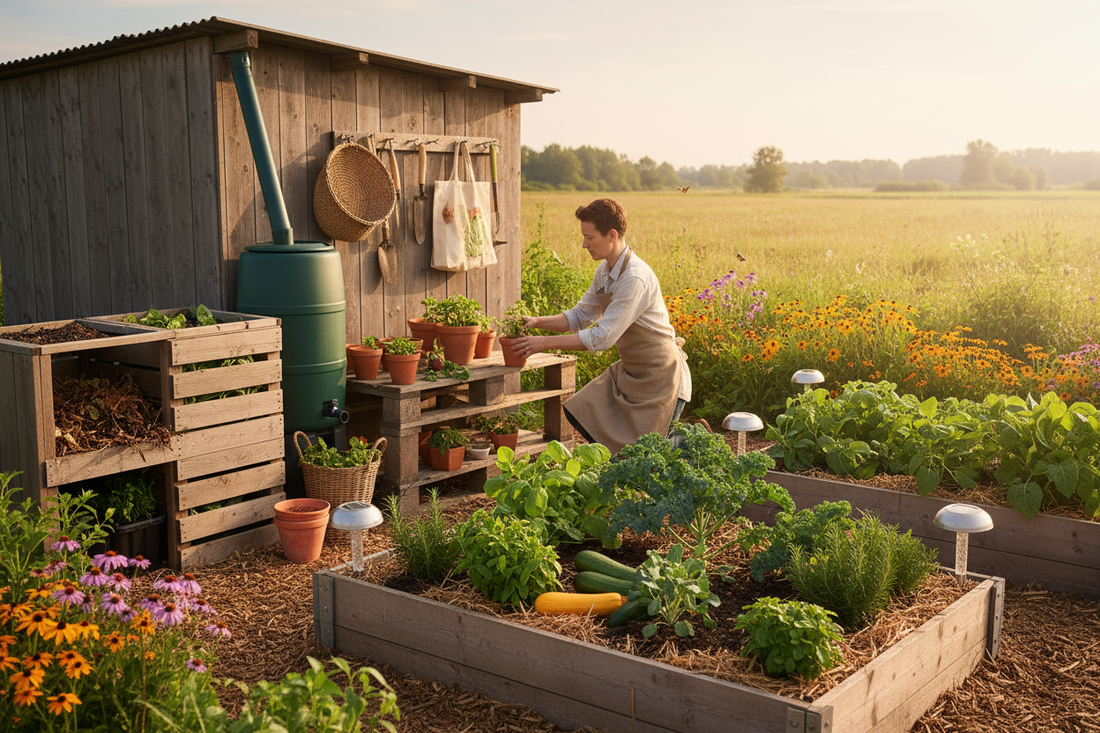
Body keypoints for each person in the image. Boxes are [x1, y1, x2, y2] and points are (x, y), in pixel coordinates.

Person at [510, 198, 691, 454]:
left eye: (589, 237)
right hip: (632, 373)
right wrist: (536, 322)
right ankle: (678, 443)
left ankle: (689, 442)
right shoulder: (605, 272)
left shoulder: (635, 277)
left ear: (612, 235)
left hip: (662, 376)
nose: (584, 244)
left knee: (646, 457)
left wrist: (541, 343)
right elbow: (580, 316)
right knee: (580, 412)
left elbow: (603, 337)